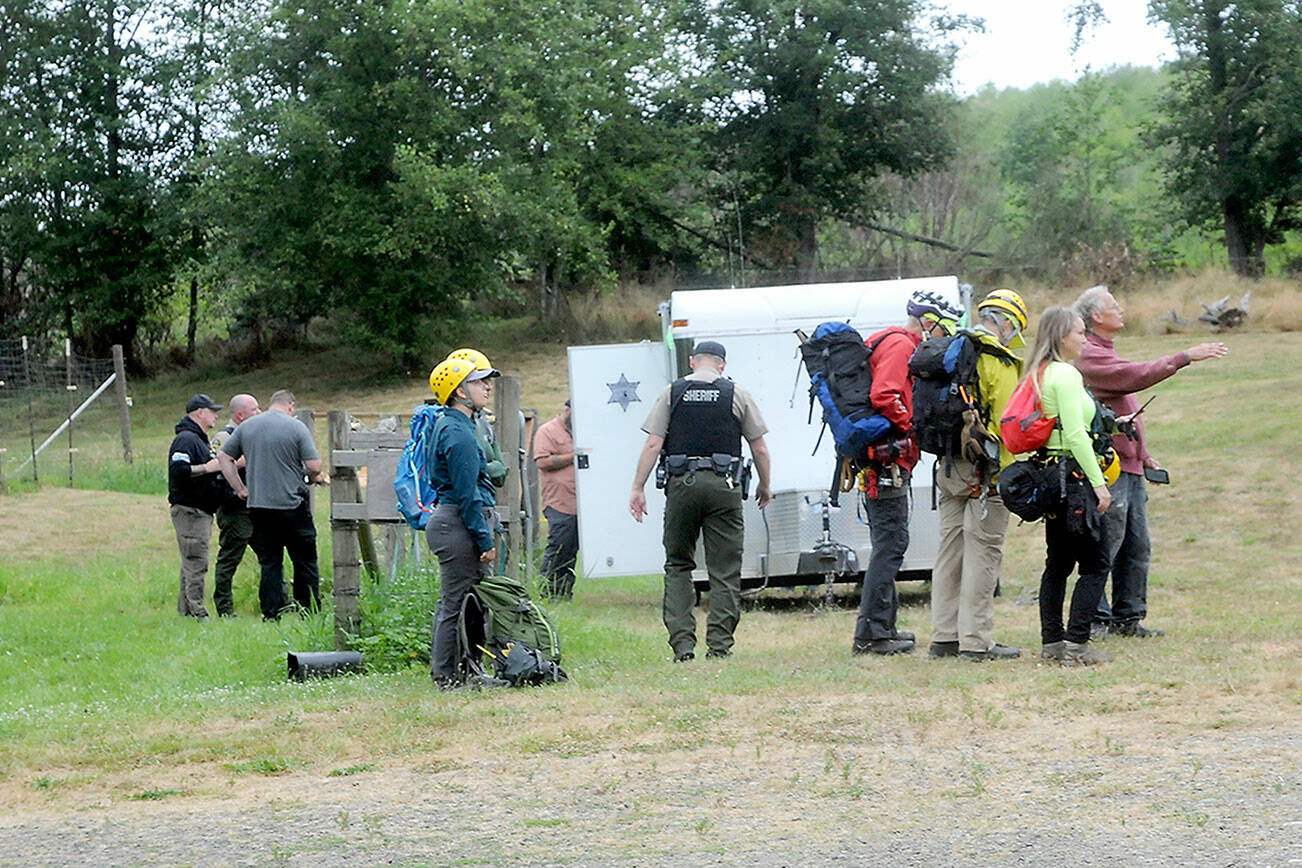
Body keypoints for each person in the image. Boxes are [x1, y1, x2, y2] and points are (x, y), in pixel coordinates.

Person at [1073, 285, 1228, 638]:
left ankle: (1128, 619)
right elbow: (1136, 376)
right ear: (1097, 316)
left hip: (1128, 464)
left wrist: (1142, 454)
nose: (1122, 309)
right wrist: (1183, 356)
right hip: (1107, 468)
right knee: (1106, 545)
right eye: (1114, 305)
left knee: (1136, 544)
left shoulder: (1103, 351)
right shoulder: (1089, 354)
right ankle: (1096, 620)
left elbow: (1125, 401)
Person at [629, 340, 772, 661]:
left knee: (678, 564)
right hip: (724, 485)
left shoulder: (672, 392)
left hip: (682, 485)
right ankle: (719, 648)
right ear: (722, 365)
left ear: (693, 362)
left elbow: (654, 444)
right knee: (724, 569)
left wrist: (638, 486)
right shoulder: (736, 393)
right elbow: (759, 448)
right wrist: (765, 485)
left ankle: (683, 647)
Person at [929, 289, 1026, 661]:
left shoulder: (952, 349)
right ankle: (976, 641)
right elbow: (1007, 424)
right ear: (1005, 322)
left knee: (949, 550)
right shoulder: (996, 360)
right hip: (986, 470)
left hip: (949, 464)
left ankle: (944, 637)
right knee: (983, 552)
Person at [850, 296, 947, 656]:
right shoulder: (900, 344)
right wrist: (912, 426)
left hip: (883, 462)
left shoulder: (888, 340)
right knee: (890, 546)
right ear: (927, 323)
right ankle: (871, 634)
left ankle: (884, 628)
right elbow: (885, 393)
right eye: (941, 328)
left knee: (889, 544)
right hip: (885, 462)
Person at [1020, 306, 1114, 666]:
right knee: (1096, 560)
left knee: (1057, 563)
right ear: (1062, 337)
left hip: (1050, 478)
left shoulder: (1038, 372)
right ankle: (1077, 644)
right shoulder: (1067, 374)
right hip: (1074, 477)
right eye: (1078, 332)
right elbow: (1075, 435)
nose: (1084, 338)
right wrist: (1098, 484)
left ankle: (1052, 644)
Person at [425, 354, 502, 688]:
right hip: (458, 522)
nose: (487, 386)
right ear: (459, 392)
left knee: (465, 602)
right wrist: (485, 540)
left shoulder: (452, 424)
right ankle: (448, 676)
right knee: (456, 604)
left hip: (453, 520)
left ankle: (466, 670)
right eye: (478, 381)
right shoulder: (458, 434)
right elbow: (467, 494)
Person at [216, 390, 327, 621]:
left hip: (260, 507)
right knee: (304, 561)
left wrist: (240, 489)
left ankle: (271, 613)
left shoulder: (248, 427)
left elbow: (223, 457)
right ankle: (308, 610)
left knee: (270, 563)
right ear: (291, 406)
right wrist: (307, 475)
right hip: (292, 504)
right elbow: (315, 465)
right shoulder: (296, 427)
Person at [167, 394, 224, 620]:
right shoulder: (186, 440)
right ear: (199, 412)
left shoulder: (198, 439)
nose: (216, 415)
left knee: (191, 562)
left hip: (199, 510)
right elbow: (179, 471)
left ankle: (187, 612)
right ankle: (199, 613)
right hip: (190, 510)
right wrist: (207, 468)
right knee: (196, 562)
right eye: (212, 411)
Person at [209, 394, 261, 618]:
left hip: (257, 506)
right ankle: (224, 608)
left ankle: (280, 601)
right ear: (240, 415)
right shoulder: (224, 436)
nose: (259, 413)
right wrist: (246, 458)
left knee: (270, 556)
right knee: (230, 558)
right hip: (234, 508)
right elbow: (216, 463)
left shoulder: (254, 435)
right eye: (255, 410)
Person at [533, 398, 578, 599]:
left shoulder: (582, 429)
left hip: (580, 503)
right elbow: (542, 461)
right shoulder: (547, 431)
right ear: (566, 409)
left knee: (570, 550)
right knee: (558, 546)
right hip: (559, 502)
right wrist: (573, 456)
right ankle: (546, 591)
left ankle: (564, 592)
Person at [446, 348, 508, 488]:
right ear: (460, 388)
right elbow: (464, 471)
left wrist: (482, 468)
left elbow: (501, 474)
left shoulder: (483, 422)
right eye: (481, 381)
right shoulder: (447, 425)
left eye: (488, 381)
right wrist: (485, 467)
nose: (489, 387)